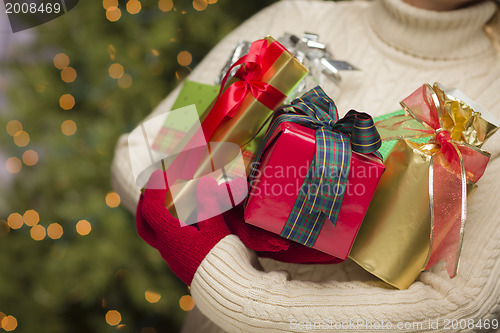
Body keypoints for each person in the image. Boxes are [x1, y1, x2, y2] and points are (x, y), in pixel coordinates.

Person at [111, 0, 500, 331]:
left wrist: (232, 287)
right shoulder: (298, 16)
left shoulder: (488, 103)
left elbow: (458, 306)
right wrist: (214, 207)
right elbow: (142, 152)